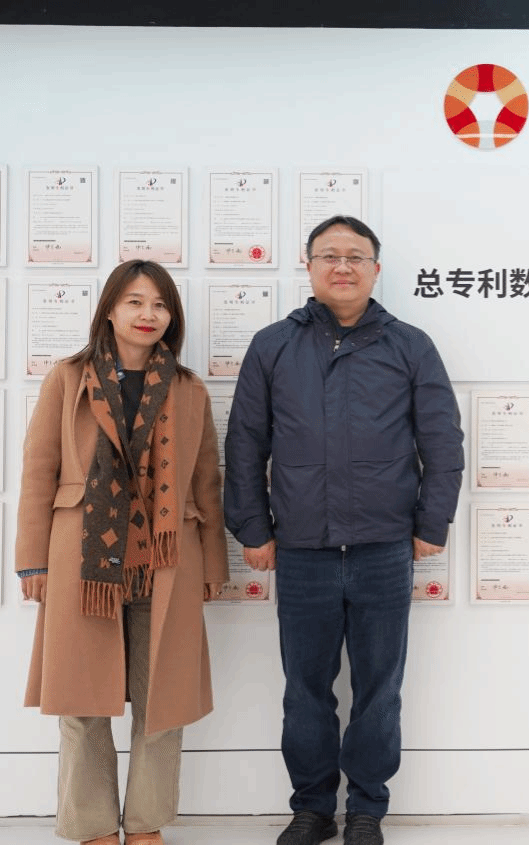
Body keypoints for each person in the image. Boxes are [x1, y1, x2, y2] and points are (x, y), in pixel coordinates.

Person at [225, 215, 464, 845]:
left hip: (384, 547)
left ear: (375, 269)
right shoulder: (273, 345)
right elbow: (245, 443)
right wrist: (252, 528)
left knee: (380, 689)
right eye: (329, 255)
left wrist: (431, 522)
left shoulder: (410, 345)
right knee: (305, 690)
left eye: (355, 256)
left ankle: (366, 809)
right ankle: (311, 808)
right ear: (308, 266)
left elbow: (443, 440)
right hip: (302, 548)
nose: (342, 266)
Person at [16, 260, 228, 845]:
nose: (147, 314)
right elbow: (38, 472)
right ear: (110, 309)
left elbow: (206, 483)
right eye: (135, 301)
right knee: (81, 700)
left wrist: (214, 563)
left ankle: (144, 824)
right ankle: (91, 825)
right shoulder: (69, 379)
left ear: (171, 317)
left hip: (167, 562)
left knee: (163, 700)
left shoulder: (188, 389)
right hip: (83, 562)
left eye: (160, 305)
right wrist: (32, 561)